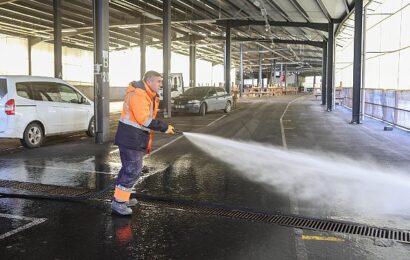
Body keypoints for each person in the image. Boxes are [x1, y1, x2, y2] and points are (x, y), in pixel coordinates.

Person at [112, 70, 175, 216]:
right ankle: (119, 204)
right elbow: (144, 120)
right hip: (131, 138)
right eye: (158, 81)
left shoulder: (146, 94)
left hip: (133, 137)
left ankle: (121, 198)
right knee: (133, 170)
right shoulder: (139, 95)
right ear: (149, 81)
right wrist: (164, 127)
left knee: (129, 170)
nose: (160, 84)